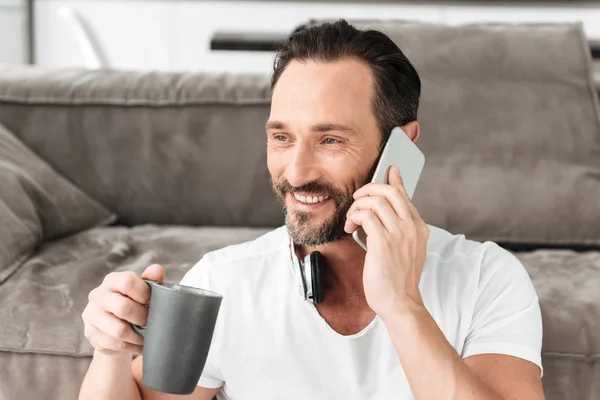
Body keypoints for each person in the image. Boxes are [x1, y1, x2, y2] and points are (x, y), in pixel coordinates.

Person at [79, 19, 545, 400]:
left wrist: (402, 306)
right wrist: (110, 353)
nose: (297, 173)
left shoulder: (487, 278)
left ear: (401, 147)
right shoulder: (225, 281)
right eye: (282, 137)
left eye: (330, 140)